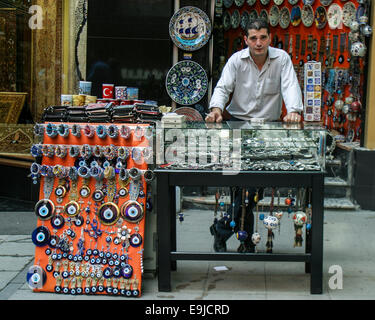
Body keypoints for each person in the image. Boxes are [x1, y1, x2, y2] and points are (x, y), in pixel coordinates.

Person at [206, 18, 304, 253]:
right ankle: (244, 241)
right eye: (253, 38)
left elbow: (290, 86)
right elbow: (222, 87)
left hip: (268, 130)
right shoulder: (236, 61)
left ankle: (223, 230)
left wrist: (293, 111)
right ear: (246, 40)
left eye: (263, 37)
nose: (258, 43)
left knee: (254, 190)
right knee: (243, 188)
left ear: (270, 38)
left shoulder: (281, 59)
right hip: (237, 128)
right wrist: (216, 109)